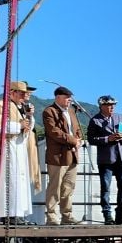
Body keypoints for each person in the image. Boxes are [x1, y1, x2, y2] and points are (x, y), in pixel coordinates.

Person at [0, 81, 42, 224]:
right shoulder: (2, 105)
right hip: (8, 147)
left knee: (20, 181)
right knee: (11, 180)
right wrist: (19, 126)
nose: (24, 96)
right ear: (12, 92)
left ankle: (18, 213)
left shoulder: (20, 107)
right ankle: (9, 214)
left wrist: (29, 117)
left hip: (19, 146)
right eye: (21, 93)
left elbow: (28, 126)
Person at [87, 95, 122, 224]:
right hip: (106, 159)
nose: (112, 107)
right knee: (105, 188)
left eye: (114, 105)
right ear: (102, 106)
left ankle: (121, 214)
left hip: (121, 157)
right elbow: (91, 139)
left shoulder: (120, 117)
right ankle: (107, 215)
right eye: (109, 105)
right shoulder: (95, 120)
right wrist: (107, 139)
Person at [42, 86, 83, 226]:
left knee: (68, 187)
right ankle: (52, 216)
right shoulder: (49, 111)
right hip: (58, 156)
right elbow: (54, 132)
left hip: (72, 154)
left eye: (69, 98)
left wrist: (79, 140)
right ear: (58, 97)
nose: (69, 100)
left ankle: (67, 214)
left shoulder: (71, 111)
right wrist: (73, 140)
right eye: (66, 97)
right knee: (55, 186)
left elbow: (77, 129)